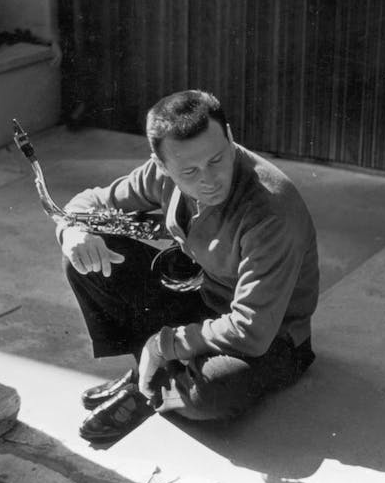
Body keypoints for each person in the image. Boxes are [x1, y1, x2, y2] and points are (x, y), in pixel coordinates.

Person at [60, 90, 319, 442]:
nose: (209, 180)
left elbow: (252, 331)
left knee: (210, 396)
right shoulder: (161, 172)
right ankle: (154, 376)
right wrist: (72, 232)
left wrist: (161, 344)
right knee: (84, 261)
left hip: (274, 338)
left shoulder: (271, 211)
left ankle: (149, 386)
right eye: (190, 171)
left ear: (229, 135)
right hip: (204, 304)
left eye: (217, 160)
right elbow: (89, 202)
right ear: (161, 164)